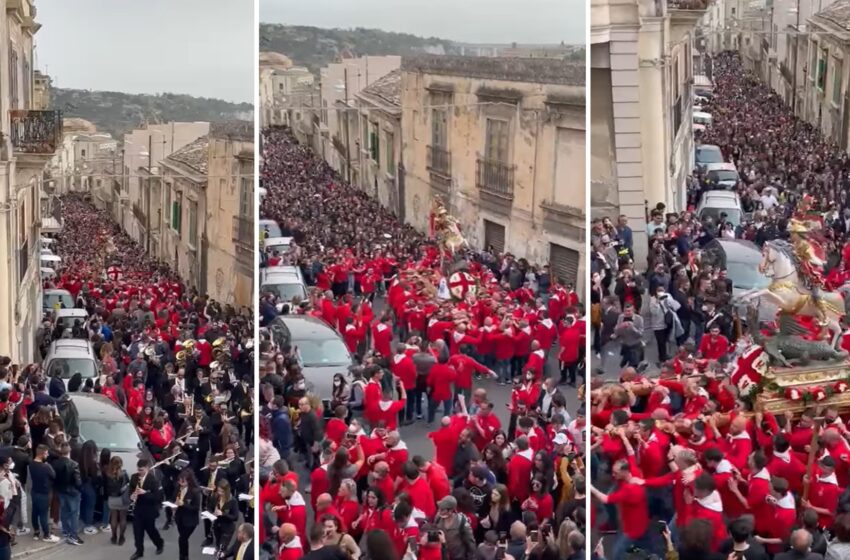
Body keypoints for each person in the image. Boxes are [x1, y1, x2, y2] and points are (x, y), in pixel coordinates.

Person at [129, 459, 165, 560]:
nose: (139, 472)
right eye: (138, 470)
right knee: (137, 532)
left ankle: (159, 543)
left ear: (147, 469)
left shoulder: (153, 480)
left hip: (150, 510)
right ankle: (139, 551)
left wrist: (145, 493)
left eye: (142, 470)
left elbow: (158, 497)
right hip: (138, 509)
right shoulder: (134, 477)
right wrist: (131, 496)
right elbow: (131, 490)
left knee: (151, 530)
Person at [53, 442, 83, 545]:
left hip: (61, 490)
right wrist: (79, 489)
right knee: (74, 514)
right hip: (73, 492)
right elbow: (78, 481)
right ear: (69, 451)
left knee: (64, 511)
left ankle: (65, 532)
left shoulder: (55, 463)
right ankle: (73, 536)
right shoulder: (74, 464)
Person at [174, 469, 202, 560]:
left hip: (190, 521)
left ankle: (184, 557)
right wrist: (174, 504)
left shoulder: (194, 492)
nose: (180, 483)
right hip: (179, 518)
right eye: (179, 481)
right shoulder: (178, 487)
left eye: (183, 481)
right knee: (183, 539)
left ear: (188, 481)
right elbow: (173, 497)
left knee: (182, 538)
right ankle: (183, 556)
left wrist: (184, 504)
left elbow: (196, 508)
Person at [105, 455, 130, 545]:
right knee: (123, 518)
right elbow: (128, 485)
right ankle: (121, 537)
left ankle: (114, 536)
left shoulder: (108, 474)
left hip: (112, 498)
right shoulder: (124, 474)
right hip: (122, 498)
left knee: (113, 518)